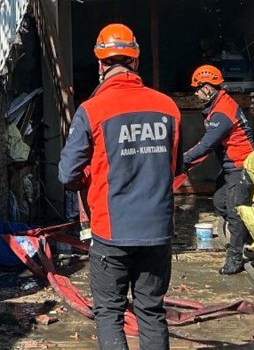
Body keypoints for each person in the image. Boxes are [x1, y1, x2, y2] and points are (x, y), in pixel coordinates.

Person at [58, 23, 181, 350]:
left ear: (100, 64)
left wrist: (92, 176)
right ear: (136, 62)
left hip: (112, 233)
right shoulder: (167, 107)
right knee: (151, 311)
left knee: (109, 312)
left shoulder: (91, 110)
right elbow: (175, 167)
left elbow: (67, 175)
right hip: (157, 231)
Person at [179, 65, 254, 275]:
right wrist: (186, 164)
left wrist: (182, 160)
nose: (195, 93)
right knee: (219, 201)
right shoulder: (218, 106)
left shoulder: (222, 112)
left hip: (240, 167)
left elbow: (206, 145)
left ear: (208, 87)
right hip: (230, 166)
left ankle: (236, 257)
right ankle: (248, 236)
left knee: (234, 212)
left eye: (197, 88)